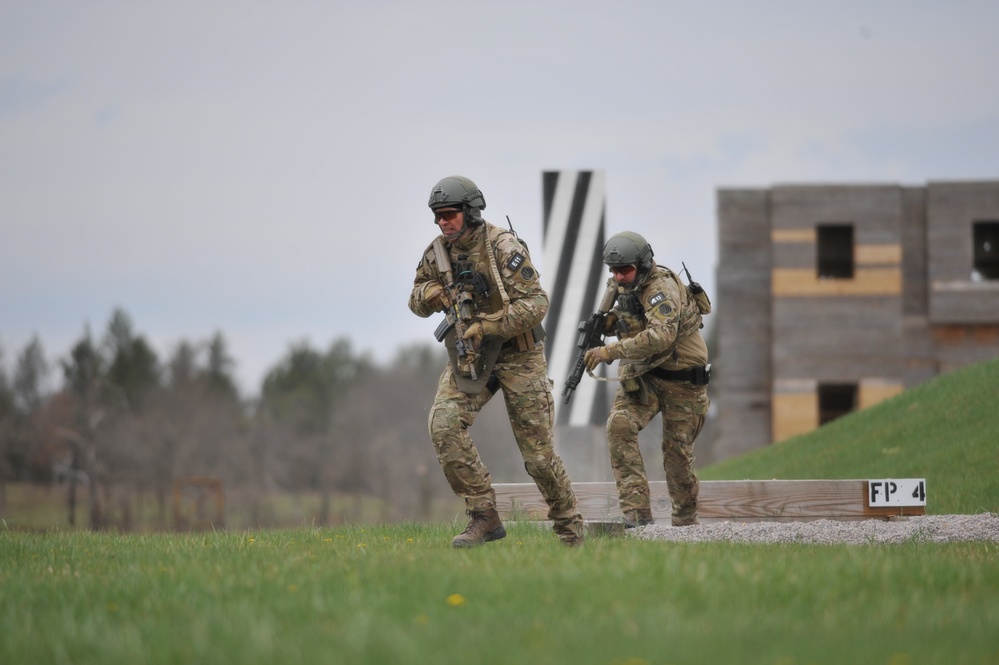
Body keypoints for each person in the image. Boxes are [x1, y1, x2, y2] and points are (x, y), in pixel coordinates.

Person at [408, 175, 585, 548]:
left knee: (538, 458)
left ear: (470, 212)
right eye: (437, 216)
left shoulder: (503, 247)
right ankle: (484, 515)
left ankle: (570, 528)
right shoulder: (437, 253)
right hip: (472, 357)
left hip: (519, 354)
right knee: (443, 423)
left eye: (450, 214)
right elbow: (415, 297)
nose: (443, 222)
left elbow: (537, 304)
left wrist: (489, 325)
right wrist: (432, 293)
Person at [583, 231, 711, 528]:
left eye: (625, 270)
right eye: (613, 271)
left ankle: (685, 522)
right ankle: (636, 511)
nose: (618, 277)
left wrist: (610, 350)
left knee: (677, 455)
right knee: (619, 425)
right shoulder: (620, 286)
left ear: (643, 265)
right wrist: (612, 322)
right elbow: (630, 319)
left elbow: (661, 336)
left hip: (683, 381)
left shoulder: (661, 289)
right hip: (645, 374)